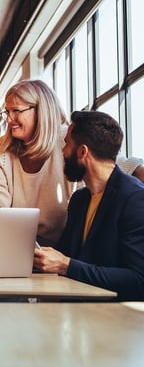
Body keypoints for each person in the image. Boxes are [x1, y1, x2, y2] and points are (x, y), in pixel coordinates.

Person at [0, 79, 144, 246]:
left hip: (66, 247)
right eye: (7, 112)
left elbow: (124, 166)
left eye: (16, 111)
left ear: (41, 111)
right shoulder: (2, 149)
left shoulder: (69, 140)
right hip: (17, 243)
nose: (9, 119)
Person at [33, 110, 144, 301]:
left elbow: (138, 280)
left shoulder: (135, 198)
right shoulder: (79, 200)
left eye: (66, 143)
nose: (63, 151)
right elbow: (63, 255)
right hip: (77, 314)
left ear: (82, 151)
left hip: (117, 320)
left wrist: (66, 265)